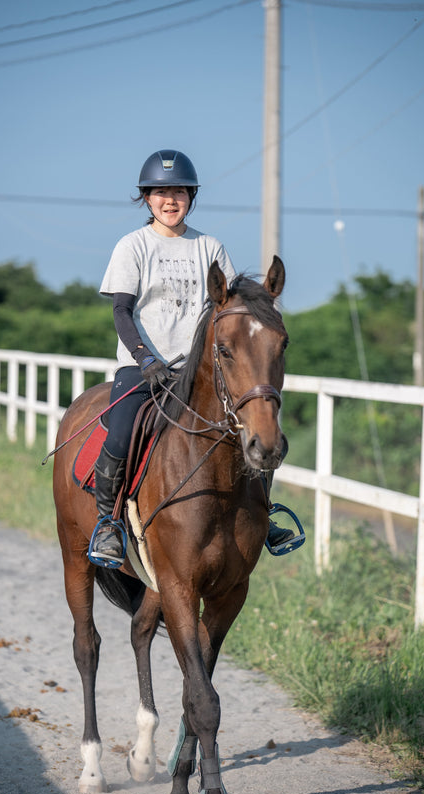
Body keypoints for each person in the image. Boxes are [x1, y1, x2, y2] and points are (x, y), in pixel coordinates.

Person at [88, 149, 300, 568]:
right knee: (120, 431)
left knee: (252, 427)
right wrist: (145, 358)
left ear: (191, 197)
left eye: (179, 192)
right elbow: (121, 311)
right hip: (143, 367)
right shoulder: (133, 246)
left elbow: (235, 307)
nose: (170, 200)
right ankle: (109, 522)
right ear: (146, 198)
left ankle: (262, 509)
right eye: (161, 192)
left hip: (199, 372)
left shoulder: (209, 247)